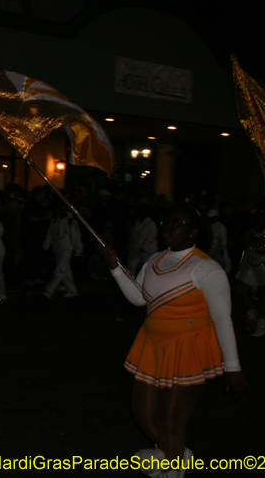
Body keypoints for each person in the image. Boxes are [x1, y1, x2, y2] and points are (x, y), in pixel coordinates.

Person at [103, 204, 248, 477]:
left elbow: (222, 319)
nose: (168, 228)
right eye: (166, 222)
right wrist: (115, 269)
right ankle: (174, 454)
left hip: (186, 350)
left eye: (177, 223)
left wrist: (233, 368)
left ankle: (171, 467)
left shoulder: (206, 268)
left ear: (193, 233)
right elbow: (138, 299)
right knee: (143, 416)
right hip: (151, 345)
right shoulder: (154, 260)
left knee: (171, 420)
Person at [235, 208, 265, 338]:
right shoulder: (249, 234)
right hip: (250, 267)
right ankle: (253, 312)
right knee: (242, 291)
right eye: (257, 220)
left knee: (263, 297)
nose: (259, 222)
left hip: (264, 267)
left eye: (262, 220)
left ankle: (262, 326)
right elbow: (246, 252)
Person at [42, 200, 83, 299]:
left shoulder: (70, 222)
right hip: (58, 249)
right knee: (65, 270)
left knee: (60, 269)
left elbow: (75, 237)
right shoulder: (55, 221)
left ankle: (49, 290)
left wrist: (78, 250)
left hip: (67, 249)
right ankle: (72, 290)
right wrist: (46, 245)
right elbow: (50, 234)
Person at [126, 205, 158, 277]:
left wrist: (144, 247)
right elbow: (133, 235)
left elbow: (151, 237)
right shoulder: (137, 222)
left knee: (146, 268)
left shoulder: (150, 223)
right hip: (135, 249)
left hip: (147, 251)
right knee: (131, 266)